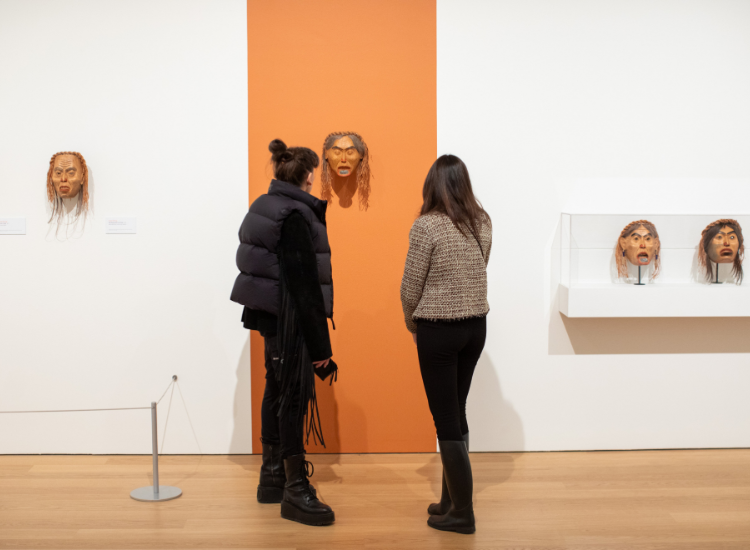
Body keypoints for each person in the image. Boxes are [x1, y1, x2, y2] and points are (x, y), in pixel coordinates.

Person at [230, 139, 336, 526]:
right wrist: (321, 349)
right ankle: (295, 490)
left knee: (275, 386)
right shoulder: (294, 215)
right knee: (291, 394)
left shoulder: (266, 204)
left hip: (270, 317)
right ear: (309, 175)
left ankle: (271, 476)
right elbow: (305, 286)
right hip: (291, 321)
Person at [400, 154, 492, 535]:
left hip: (439, 329)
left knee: (445, 420)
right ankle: (450, 500)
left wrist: (411, 321)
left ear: (432, 184)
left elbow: (410, 286)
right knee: (457, 409)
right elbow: (482, 265)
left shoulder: (427, 226)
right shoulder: (482, 222)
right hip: (476, 327)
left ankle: (463, 514)